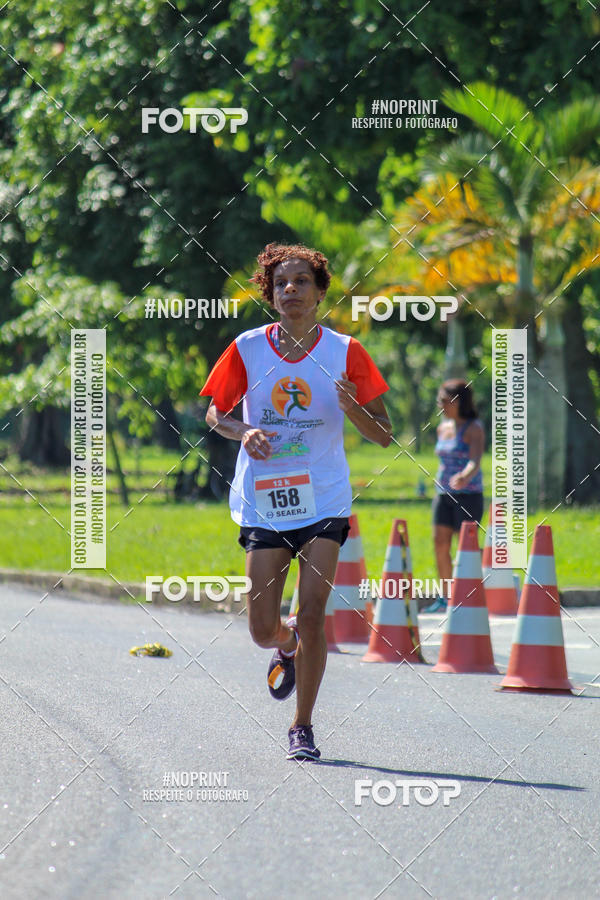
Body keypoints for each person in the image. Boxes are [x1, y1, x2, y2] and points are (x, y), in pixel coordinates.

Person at [200, 243, 391, 760]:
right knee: (263, 628)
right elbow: (215, 414)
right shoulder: (246, 348)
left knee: (312, 614)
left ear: (320, 290)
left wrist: (352, 407)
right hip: (267, 500)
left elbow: (384, 436)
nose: (291, 290)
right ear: (269, 293)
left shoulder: (346, 352)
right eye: (281, 283)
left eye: (301, 281)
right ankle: (282, 647)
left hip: (324, 500)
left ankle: (302, 727)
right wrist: (244, 431)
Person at [425, 379, 484, 613]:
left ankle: (470, 594)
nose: (440, 405)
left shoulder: (473, 428)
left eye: (445, 400)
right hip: (443, 494)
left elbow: (475, 460)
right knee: (440, 543)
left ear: (458, 402)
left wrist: (465, 475)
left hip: (469, 495)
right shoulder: (443, 427)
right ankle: (446, 596)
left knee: (465, 548)